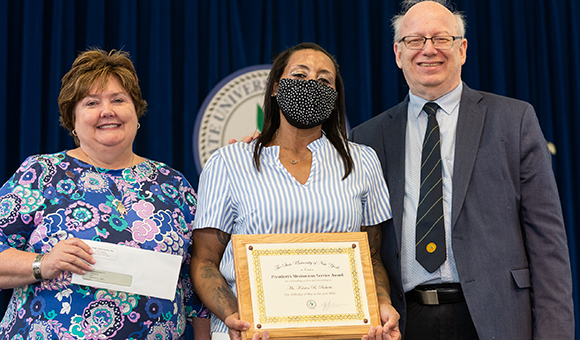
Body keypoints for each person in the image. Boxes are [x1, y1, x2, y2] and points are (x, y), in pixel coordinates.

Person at [349, 1, 574, 339]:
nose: (429, 49)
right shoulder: (367, 137)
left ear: (462, 49)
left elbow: (548, 244)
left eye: (441, 38)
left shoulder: (514, 121)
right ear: (398, 53)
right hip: (404, 323)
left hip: (496, 319)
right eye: (415, 40)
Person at [190, 42, 401, 340]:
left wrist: (382, 304)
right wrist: (234, 317)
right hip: (251, 335)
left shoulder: (362, 161)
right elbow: (204, 261)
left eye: (324, 80)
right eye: (300, 76)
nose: (311, 85)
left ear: (334, 96)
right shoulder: (228, 162)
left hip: (340, 332)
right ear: (276, 87)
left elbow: (373, 258)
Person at [0, 48, 210, 339]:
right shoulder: (41, 173)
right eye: (91, 102)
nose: (107, 110)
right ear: (72, 120)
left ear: (136, 113)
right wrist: (41, 264)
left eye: (118, 99)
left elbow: (198, 282)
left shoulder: (173, 184)